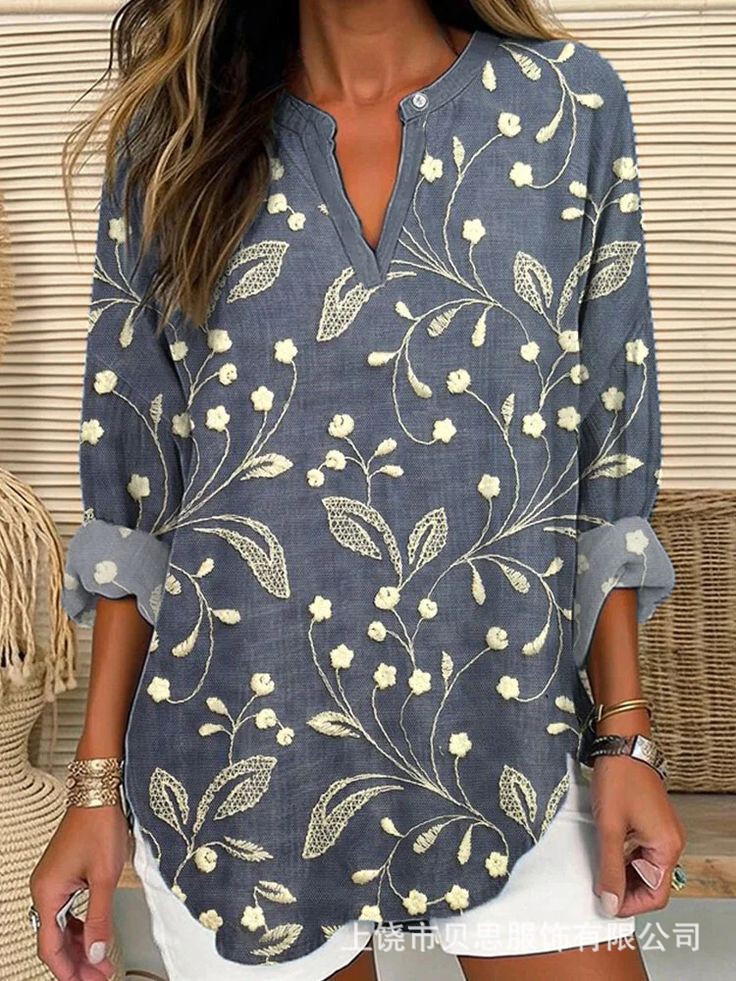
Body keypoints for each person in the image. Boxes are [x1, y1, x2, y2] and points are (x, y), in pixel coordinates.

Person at [29, 1, 687, 979]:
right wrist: (95, 788)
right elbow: (137, 500)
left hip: (516, 739)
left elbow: (606, 456)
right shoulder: (174, 138)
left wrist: (624, 737)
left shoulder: (565, 106)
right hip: (242, 765)